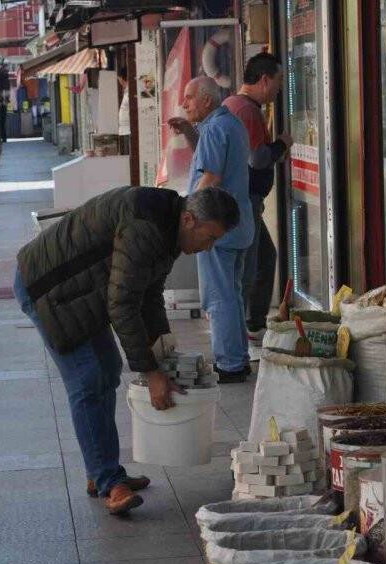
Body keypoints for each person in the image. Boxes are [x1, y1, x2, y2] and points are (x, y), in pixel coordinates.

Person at [14, 186, 240, 515]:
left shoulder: (170, 224)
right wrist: (151, 373)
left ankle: (99, 470)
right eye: (210, 237)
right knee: (89, 381)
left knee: (107, 368)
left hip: (81, 291)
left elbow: (148, 291)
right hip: (49, 289)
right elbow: (122, 304)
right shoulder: (148, 228)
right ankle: (109, 481)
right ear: (190, 219)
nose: (209, 247)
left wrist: (162, 344)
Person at [168, 76, 254, 383]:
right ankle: (239, 358)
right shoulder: (229, 124)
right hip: (237, 225)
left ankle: (229, 364)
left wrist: (186, 213)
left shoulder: (216, 128)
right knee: (232, 294)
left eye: (190, 97)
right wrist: (190, 132)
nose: (185, 102)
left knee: (219, 297)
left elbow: (211, 177)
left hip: (216, 228)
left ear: (207, 100)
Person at [223, 53, 292, 337]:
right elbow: (257, 158)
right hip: (247, 201)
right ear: (264, 80)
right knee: (250, 268)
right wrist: (281, 145)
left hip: (245, 201)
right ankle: (246, 327)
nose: (279, 89)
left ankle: (254, 322)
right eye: (277, 81)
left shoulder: (233, 105)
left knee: (264, 258)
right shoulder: (247, 110)